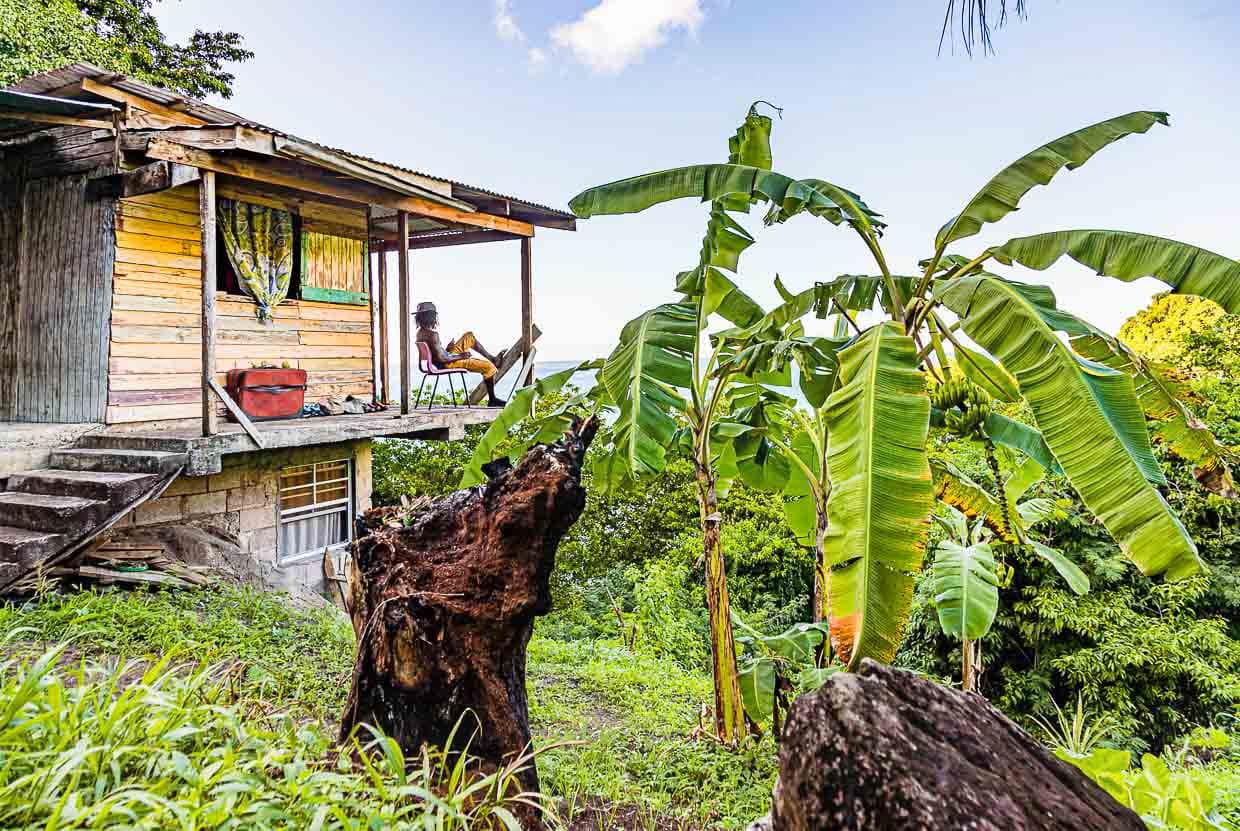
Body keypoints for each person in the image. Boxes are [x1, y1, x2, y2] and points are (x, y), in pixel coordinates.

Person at [414, 301, 507, 406]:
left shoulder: (420, 333)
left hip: (443, 360)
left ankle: (493, 358)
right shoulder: (433, 334)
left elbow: (437, 354)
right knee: (488, 367)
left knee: (469, 336)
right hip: (448, 363)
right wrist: (461, 356)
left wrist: (447, 349)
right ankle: (492, 399)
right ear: (430, 317)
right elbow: (441, 358)